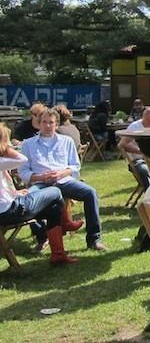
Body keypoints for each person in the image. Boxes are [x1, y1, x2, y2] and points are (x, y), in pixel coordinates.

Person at [19, 108, 106, 251]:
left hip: (63, 181)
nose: (48, 126)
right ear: (39, 124)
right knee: (28, 198)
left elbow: (75, 166)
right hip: (41, 183)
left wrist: (61, 174)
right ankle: (42, 238)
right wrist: (41, 177)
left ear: (56, 124)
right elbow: (23, 172)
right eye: (44, 122)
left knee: (91, 193)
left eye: (51, 122)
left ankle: (94, 239)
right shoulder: (28, 144)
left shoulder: (67, 141)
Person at [0, 123, 77, 265]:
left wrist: (14, 193)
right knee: (55, 191)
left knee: (53, 209)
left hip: (6, 210)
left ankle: (58, 255)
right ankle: (65, 223)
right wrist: (5, 148)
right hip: (11, 211)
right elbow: (22, 159)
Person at [118, 107, 150, 190]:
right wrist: (142, 152)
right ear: (145, 119)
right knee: (144, 170)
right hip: (138, 160)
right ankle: (149, 194)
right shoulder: (135, 127)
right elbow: (122, 144)